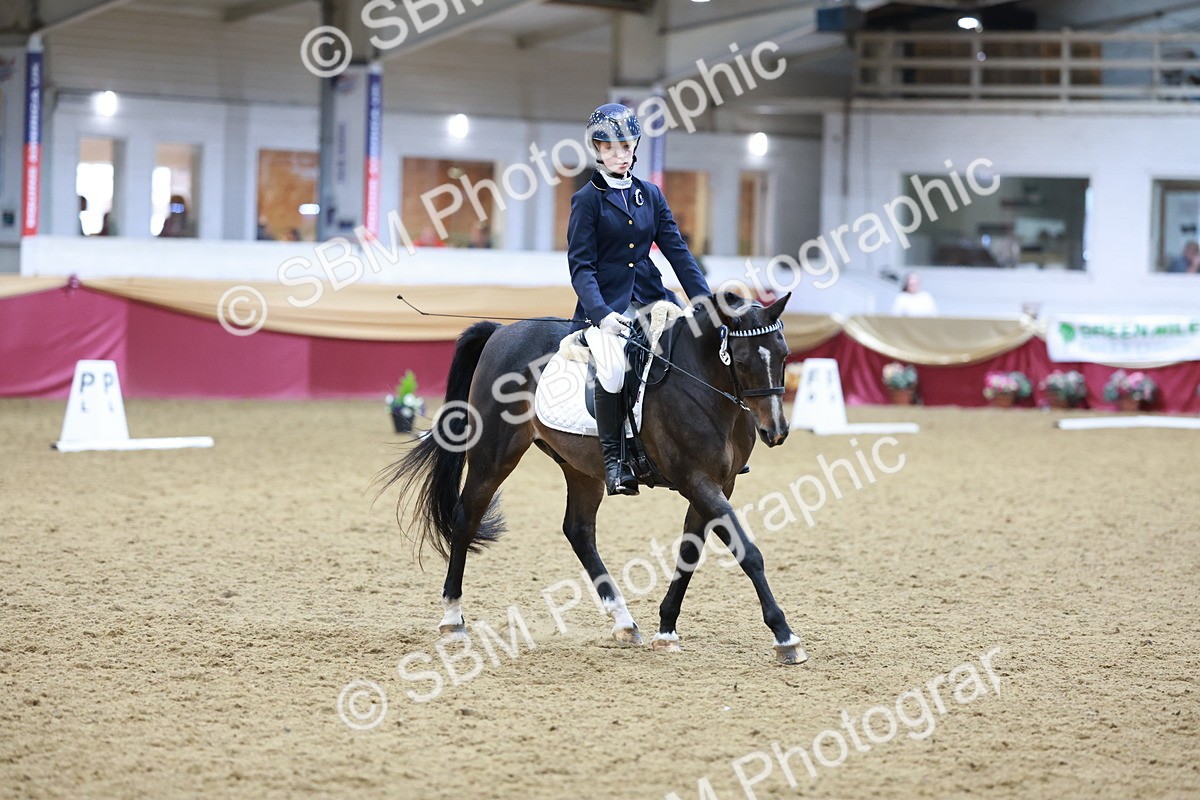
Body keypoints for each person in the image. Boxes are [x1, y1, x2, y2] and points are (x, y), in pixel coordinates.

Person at [567, 103, 711, 496]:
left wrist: (701, 298)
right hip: (606, 306)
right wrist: (600, 314)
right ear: (597, 150)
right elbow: (581, 267)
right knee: (613, 369)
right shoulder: (587, 200)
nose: (618, 154)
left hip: (652, 298)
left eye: (625, 146)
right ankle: (616, 463)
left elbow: (677, 251)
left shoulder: (650, 195)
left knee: (691, 349)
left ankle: (704, 446)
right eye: (609, 147)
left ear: (634, 147)